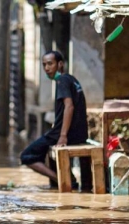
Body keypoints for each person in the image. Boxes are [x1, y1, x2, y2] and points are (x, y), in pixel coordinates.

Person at [20, 51, 92, 192]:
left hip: (66, 134)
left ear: (60, 64)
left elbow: (69, 106)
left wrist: (63, 135)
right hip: (80, 133)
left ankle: (63, 178)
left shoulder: (62, 81)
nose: (47, 68)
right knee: (45, 148)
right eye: (44, 65)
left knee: (26, 156)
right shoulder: (71, 79)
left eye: (50, 64)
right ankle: (65, 182)